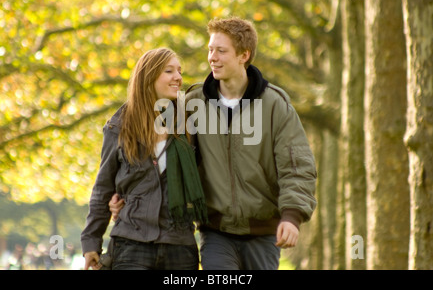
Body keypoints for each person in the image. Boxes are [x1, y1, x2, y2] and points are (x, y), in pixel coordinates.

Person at [111, 17, 317, 270]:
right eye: (210, 49)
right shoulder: (190, 103)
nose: (212, 58)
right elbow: (155, 149)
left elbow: (297, 166)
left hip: (264, 232)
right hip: (216, 232)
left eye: (221, 51)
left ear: (244, 55)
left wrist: (292, 216)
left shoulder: (275, 105)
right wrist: (125, 196)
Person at [81, 48, 207, 270]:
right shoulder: (118, 127)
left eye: (179, 71)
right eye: (169, 71)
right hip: (131, 246)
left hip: (180, 247)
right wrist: (91, 242)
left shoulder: (190, 123)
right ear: (148, 77)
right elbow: (102, 188)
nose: (178, 77)